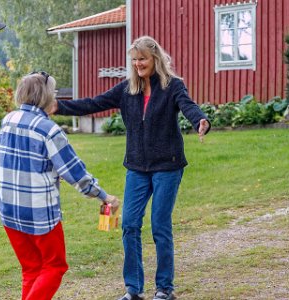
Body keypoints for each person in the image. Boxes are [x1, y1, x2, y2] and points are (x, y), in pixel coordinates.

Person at [51, 35, 211, 300]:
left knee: (160, 224)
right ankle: (133, 290)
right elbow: (93, 103)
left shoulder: (173, 86)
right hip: (136, 166)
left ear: (155, 59)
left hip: (167, 166)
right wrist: (59, 106)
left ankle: (164, 288)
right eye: (134, 60)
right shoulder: (126, 89)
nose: (138, 64)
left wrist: (200, 121)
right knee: (129, 224)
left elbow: (188, 106)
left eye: (142, 59)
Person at [0, 71, 119, 300]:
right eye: (53, 92)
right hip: (39, 213)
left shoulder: (8, 120)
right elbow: (76, 174)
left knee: (32, 268)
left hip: (10, 211)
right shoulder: (48, 130)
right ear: (44, 96)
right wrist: (104, 196)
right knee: (55, 267)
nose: (55, 96)